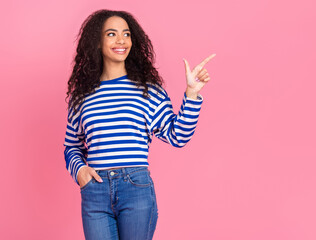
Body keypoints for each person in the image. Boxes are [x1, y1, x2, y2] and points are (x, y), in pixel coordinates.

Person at [63, 9, 215, 240]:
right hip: (95, 190)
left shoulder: (147, 90)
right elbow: (71, 146)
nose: (121, 40)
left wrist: (192, 94)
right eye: (111, 34)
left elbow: (178, 136)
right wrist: (80, 171)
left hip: (135, 188)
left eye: (126, 34)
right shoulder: (82, 96)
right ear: (96, 42)